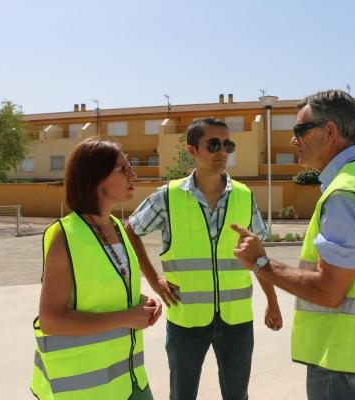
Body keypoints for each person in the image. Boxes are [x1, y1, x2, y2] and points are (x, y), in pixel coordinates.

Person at [231, 90, 355, 400]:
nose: (293, 141)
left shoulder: (344, 193)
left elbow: (329, 290)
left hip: (339, 356)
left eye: (301, 130)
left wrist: (262, 263)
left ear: (330, 132)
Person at [125, 118, 283, 400]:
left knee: (237, 396)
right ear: (192, 150)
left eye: (227, 144)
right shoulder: (168, 197)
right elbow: (131, 230)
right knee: (182, 395)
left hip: (236, 321)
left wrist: (272, 301)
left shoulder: (244, 197)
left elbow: (258, 255)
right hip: (187, 319)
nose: (222, 151)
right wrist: (153, 279)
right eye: (213, 144)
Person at [30, 138, 162, 399]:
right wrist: (126, 317)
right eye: (123, 169)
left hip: (130, 379)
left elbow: (104, 292)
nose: (133, 174)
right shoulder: (64, 235)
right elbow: (51, 320)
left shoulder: (117, 228)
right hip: (84, 389)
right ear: (96, 177)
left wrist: (142, 303)